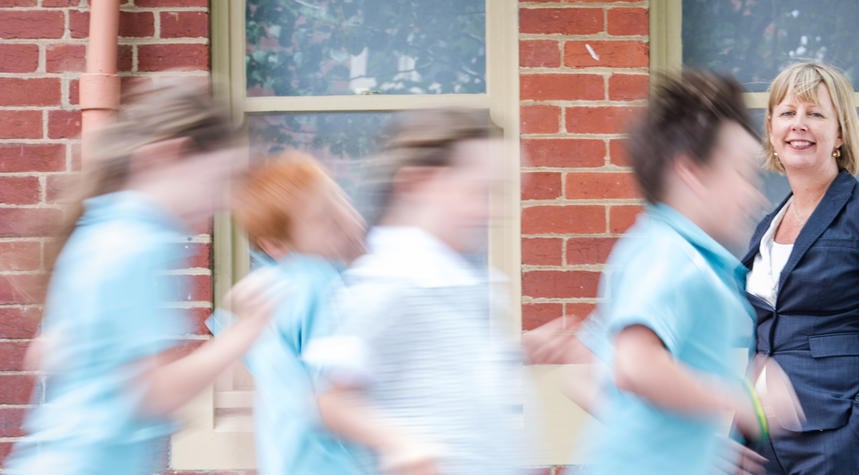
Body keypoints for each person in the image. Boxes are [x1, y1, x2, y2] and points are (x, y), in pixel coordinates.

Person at [3, 80, 284, 475]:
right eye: (219, 179)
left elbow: (43, 355)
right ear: (168, 156)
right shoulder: (139, 244)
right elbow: (153, 393)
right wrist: (246, 330)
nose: (223, 200)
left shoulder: (100, 227)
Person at [563, 69, 803, 475]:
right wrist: (743, 401)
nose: (757, 195)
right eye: (744, 173)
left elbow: (586, 366)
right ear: (691, 172)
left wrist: (694, 444)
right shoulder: (668, 254)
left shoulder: (670, 252)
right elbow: (636, 366)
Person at [302, 108, 526, 475]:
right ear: (416, 184)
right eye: (478, 191)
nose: (494, 210)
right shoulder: (388, 280)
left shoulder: (463, 279)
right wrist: (402, 442)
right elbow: (331, 400)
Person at [742, 62, 859, 474]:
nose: (799, 125)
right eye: (787, 113)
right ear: (772, 129)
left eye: (816, 113)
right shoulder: (764, 227)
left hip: (839, 439)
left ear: (840, 134)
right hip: (762, 446)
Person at [206, 150, 367, 474]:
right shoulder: (318, 283)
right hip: (334, 463)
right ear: (275, 245)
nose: (340, 216)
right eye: (323, 218)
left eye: (337, 198)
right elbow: (342, 389)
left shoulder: (267, 287)